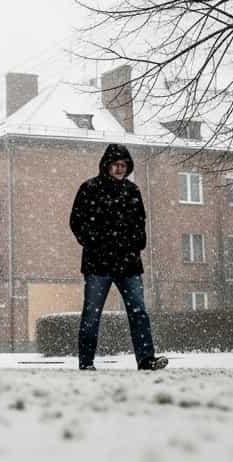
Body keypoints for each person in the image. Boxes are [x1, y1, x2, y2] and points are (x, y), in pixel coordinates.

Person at [69, 143, 168, 371]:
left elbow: (140, 223)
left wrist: (136, 245)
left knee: (139, 313)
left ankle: (146, 359)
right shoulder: (89, 188)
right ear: (106, 165)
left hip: (128, 263)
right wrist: (94, 243)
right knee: (92, 315)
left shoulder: (132, 191)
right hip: (98, 264)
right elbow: (76, 221)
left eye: (124, 165)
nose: (120, 169)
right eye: (116, 164)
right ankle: (86, 362)